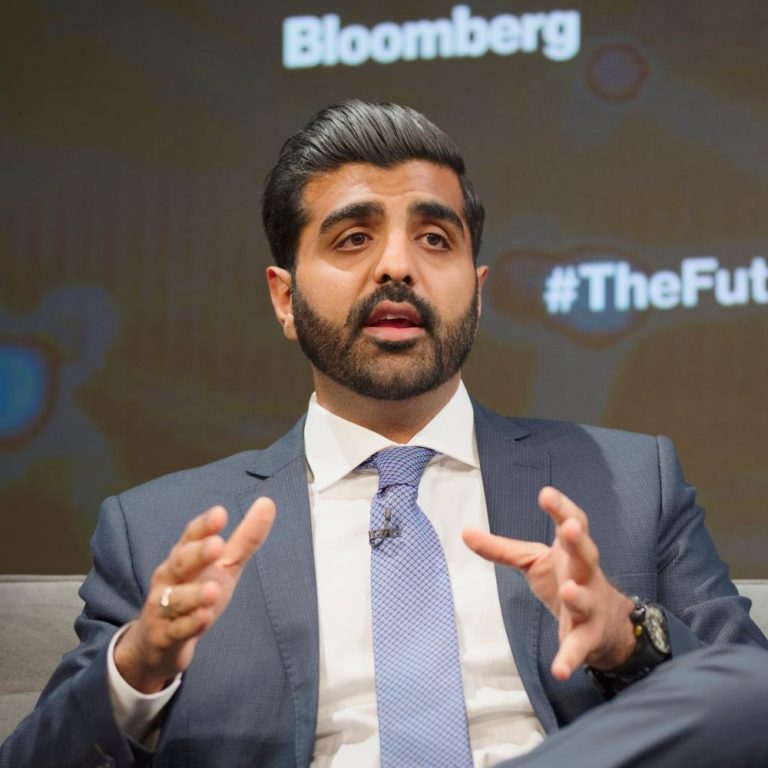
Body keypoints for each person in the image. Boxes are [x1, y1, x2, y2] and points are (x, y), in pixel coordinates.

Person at [2, 100, 768, 768]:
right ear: (284, 297)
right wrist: (137, 669)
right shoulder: (155, 531)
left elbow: (751, 703)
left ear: (478, 292)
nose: (397, 265)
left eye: (435, 239)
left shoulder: (629, 481)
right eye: (352, 239)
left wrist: (629, 640)